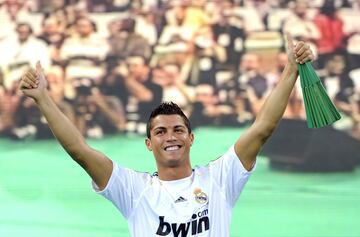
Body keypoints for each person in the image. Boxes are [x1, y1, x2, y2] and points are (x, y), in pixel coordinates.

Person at [19, 34, 313, 236]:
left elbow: (262, 128)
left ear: (191, 138)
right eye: (160, 131)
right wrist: (43, 99)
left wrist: (290, 71)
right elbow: (79, 150)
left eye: (178, 130)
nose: (170, 137)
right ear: (149, 143)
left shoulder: (220, 179)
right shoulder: (134, 190)